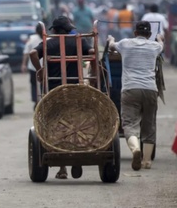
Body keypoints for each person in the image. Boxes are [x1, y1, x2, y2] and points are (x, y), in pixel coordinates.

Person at [29, 16, 94, 179]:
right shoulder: (78, 41)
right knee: (76, 124)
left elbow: (32, 53)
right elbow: (92, 53)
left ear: (56, 31)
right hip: (75, 90)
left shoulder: (49, 43)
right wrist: (92, 68)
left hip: (54, 92)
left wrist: (40, 70)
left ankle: (63, 167)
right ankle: (77, 156)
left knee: (57, 125)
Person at [107, 21, 164, 171]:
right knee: (149, 125)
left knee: (129, 124)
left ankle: (135, 149)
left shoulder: (125, 43)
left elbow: (112, 46)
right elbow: (161, 43)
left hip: (130, 89)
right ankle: (146, 161)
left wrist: (111, 39)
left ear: (134, 33)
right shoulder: (155, 46)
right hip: (151, 89)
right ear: (149, 35)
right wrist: (160, 38)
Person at [21, 23, 43, 109]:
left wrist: (23, 64)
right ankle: (38, 100)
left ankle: (37, 100)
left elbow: (26, 52)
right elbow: (27, 52)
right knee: (38, 84)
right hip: (38, 67)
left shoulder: (32, 39)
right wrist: (24, 64)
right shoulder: (47, 38)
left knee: (35, 84)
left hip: (35, 66)